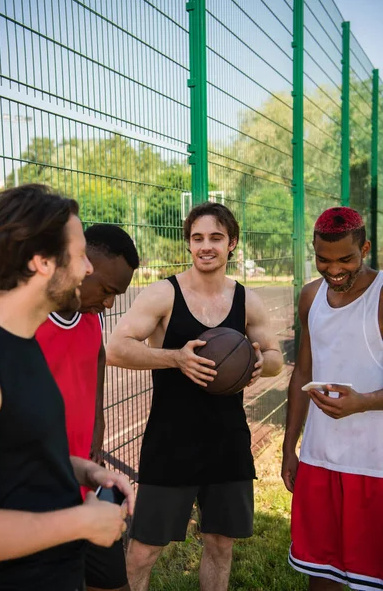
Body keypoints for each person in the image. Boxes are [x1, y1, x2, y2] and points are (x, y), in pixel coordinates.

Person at [106, 201, 283, 591]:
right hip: (171, 441)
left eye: (216, 238)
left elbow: (275, 357)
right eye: (198, 238)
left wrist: (257, 365)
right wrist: (175, 358)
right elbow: (116, 348)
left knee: (221, 546)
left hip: (228, 442)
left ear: (232, 243)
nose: (206, 246)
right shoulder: (163, 294)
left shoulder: (245, 300)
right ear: (188, 244)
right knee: (142, 552)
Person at [0, 184, 133, 591]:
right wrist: (79, 522)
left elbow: (21, 458)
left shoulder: (23, 342)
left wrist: (87, 470)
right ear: (42, 262)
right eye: (80, 254)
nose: (87, 269)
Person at [281, 206, 383, 591]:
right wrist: (290, 448)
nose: (334, 268)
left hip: (374, 465)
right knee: (320, 573)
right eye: (324, 259)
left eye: (346, 259)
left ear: (365, 249)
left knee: (370, 578)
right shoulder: (311, 297)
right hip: (320, 458)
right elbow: (302, 374)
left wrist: (363, 402)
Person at [36, 223, 139, 591]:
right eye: (108, 291)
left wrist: (98, 422)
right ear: (84, 265)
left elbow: (96, 358)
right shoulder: (23, 322)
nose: (110, 303)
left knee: (113, 583)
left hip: (85, 485)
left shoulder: (90, 316)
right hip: (36, 496)